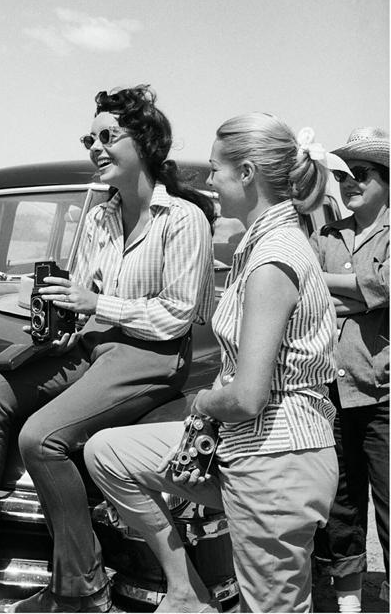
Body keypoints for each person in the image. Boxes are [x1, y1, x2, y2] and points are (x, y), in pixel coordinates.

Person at [0, 85, 216, 613]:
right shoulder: (99, 216)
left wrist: (97, 302)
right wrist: (55, 308)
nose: (93, 146)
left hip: (153, 356)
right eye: (87, 137)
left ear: (144, 142)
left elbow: (177, 316)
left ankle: (81, 583)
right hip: (94, 346)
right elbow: (84, 296)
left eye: (106, 136)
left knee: (41, 438)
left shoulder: (183, 219)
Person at [85, 114, 339, 613]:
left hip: (276, 462)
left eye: (217, 170)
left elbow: (246, 397)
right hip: (254, 451)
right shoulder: (261, 244)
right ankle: (186, 592)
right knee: (108, 454)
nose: (208, 182)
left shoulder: (273, 259)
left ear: (247, 174)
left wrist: (200, 401)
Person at [311, 126, 389, 613]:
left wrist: (331, 286)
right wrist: (354, 300)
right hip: (332, 393)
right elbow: (311, 303)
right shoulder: (326, 234)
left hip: (383, 394)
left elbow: (382, 288)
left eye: (359, 173)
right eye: (343, 174)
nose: (348, 183)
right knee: (339, 505)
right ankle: (349, 602)